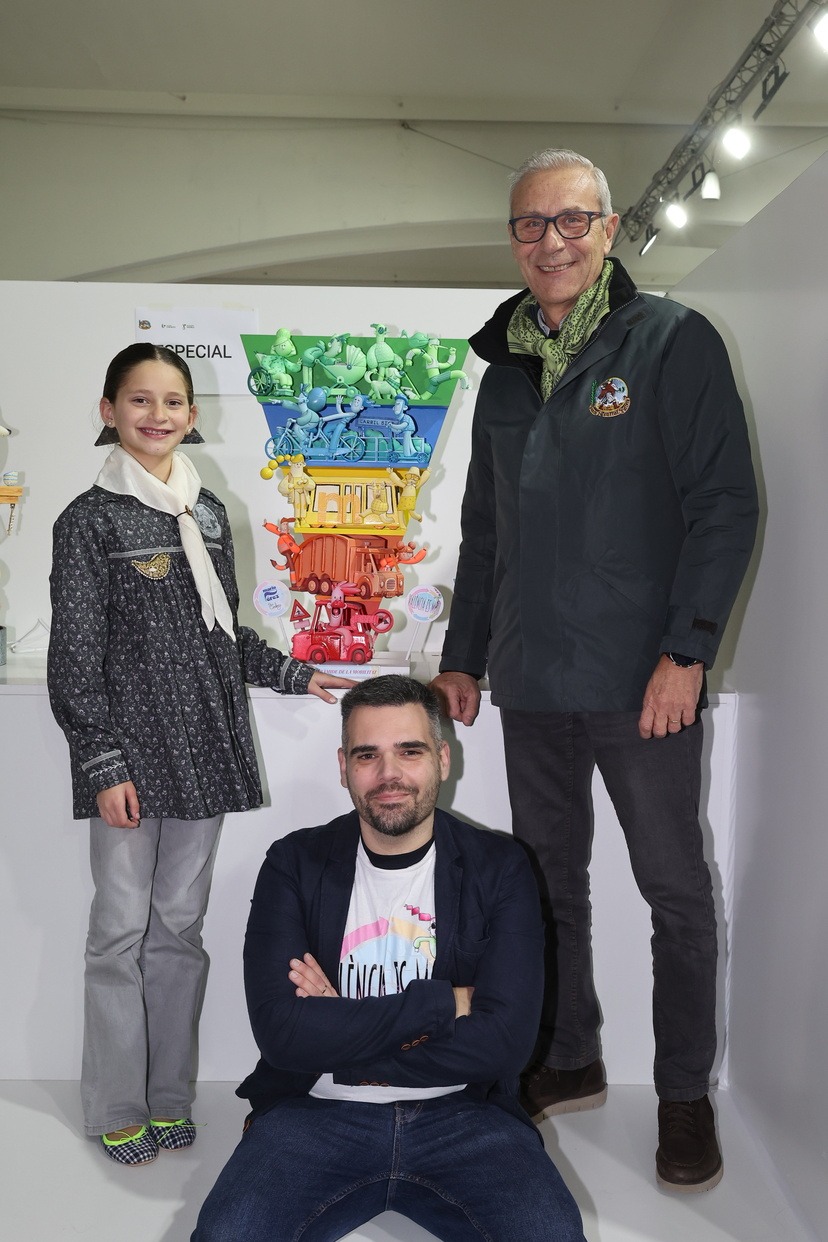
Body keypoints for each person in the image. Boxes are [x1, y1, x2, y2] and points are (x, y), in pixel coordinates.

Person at [432, 148, 758, 1193]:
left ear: (609, 230)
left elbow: (724, 505)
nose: (551, 242)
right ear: (514, 240)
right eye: (531, 225)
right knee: (544, 882)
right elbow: (486, 530)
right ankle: (567, 1053)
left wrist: (686, 651)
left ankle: (684, 1096)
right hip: (532, 679)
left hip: (640, 681)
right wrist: (464, 657)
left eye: (571, 220)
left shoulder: (670, 340)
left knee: (675, 891)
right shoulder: (504, 373)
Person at [47, 343, 352, 1166]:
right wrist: (102, 764)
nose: (158, 415)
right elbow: (74, 657)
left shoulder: (208, 510)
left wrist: (295, 673)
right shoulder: (87, 520)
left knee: (178, 932)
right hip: (130, 762)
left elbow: (223, 636)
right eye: (140, 400)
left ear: (191, 414)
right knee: (119, 934)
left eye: (173, 401)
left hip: (204, 754)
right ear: (109, 411)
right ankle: (118, 1104)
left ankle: (169, 1098)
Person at [192, 675, 585, 1242]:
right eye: (366, 755)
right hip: (314, 1111)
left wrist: (341, 1037)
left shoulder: (500, 867)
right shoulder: (293, 863)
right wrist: (445, 1004)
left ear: (442, 760)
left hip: (465, 1115)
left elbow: (506, 1044)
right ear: (343, 766)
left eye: (410, 751)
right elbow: (283, 1035)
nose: (388, 774)